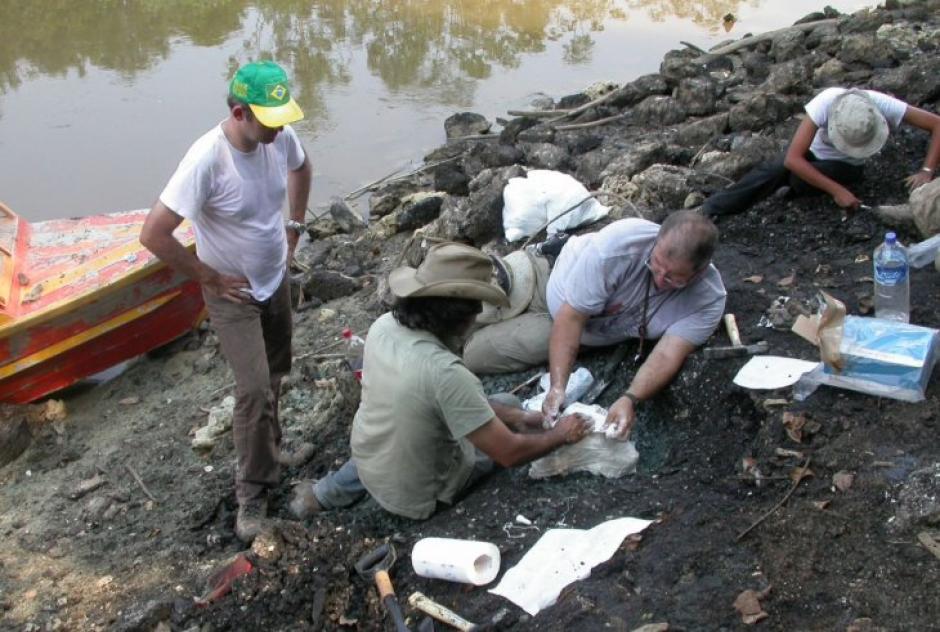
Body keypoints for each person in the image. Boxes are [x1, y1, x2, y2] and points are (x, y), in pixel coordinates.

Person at [289, 243, 591, 521]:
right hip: (418, 495)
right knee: (506, 411)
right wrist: (559, 435)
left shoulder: (384, 326)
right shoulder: (445, 372)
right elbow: (509, 453)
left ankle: (323, 493)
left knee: (506, 409)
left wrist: (522, 417)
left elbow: (444, 398)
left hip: (369, 455)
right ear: (462, 317)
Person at [140, 60, 312, 542]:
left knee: (276, 373)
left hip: (273, 276)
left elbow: (303, 167)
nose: (279, 132)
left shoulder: (278, 138)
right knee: (253, 390)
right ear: (239, 113)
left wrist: (294, 227)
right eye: (269, 121)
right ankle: (252, 495)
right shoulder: (206, 161)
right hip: (232, 295)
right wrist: (208, 277)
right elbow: (153, 234)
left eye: (283, 120)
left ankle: (271, 450)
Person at [463, 211, 726, 441]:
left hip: (569, 329)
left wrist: (629, 398)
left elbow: (669, 353)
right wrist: (557, 387)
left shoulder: (707, 301)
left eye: (672, 278)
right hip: (546, 280)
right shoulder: (620, 245)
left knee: (469, 354)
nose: (660, 278)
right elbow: (572, 317)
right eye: (655, 266)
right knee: (462, 313)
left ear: (699, 273)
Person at [702, 87, 940, 217]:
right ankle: (711, 208)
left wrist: (927, 170)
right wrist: (837, 191)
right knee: (774, 169)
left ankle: (794, 187)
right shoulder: (827, 101)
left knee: (798, 180)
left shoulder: (880, 104)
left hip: (846, 166)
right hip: (811, 153)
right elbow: (793, 158)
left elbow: (936, 123)